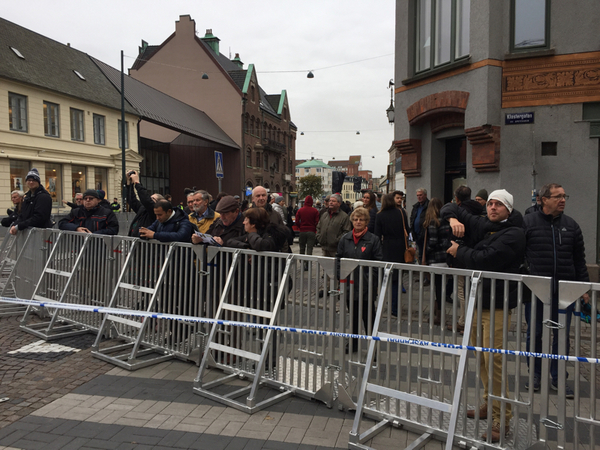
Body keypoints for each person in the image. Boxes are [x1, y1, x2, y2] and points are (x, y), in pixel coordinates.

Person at [442, 189, 525, 442]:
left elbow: (485, 260)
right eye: (489, 203)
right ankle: (489, 403)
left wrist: (459, 251)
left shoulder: (514, 233)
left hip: (497, 306)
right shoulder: (484, 224)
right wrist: (452, 220)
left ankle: (503, 418)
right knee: (481, 357)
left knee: (494, 360)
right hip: (478, 303)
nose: (492, 207)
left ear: (508, 209)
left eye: (498, 204)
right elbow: (451, 206)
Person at [523, 183, 589, 397]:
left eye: (564, 196)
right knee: (536, 334)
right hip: (536, 292)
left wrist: (583, 287)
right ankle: (535, 374)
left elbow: (579, 260)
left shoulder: (571, 225)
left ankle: (558, 376)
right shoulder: (528, 223)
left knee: (561, 336)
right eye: (557, 196)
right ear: (543, 199)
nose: (562, 200)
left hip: (564, 293)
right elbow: (518, 254)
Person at [337, 207, 383, 353]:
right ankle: (353, 343)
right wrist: (340, 275)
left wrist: (370, 281)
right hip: (349, 285)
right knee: (354, 316)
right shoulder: (345, 239)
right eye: (356, 219)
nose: (358, 222)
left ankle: (373, 347)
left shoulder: (373, 240)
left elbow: (378, 262)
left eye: (361, 220)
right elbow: (338, 258)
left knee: (369, 318)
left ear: (366, 222)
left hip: (366, 287)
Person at [447, 186, 484, 334]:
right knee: (472, 289)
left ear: (457, 198)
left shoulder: (460, 212)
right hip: (474, 254)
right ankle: (470, 321)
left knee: (461, 290)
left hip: (461, 256)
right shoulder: (479, 210)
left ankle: (464, 321)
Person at [374, 193, 408, 316]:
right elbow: (407, 230)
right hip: (400, 247)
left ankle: (381, 303)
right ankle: (395, 308)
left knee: (385, 278)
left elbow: (377, 235)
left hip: (387, 247)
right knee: (396, 280)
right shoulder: (401, 213)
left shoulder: (380, 215)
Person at [423, 198, 451, 326]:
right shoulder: (446, 221)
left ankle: (439, 315)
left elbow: (432, 242)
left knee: (437, 287)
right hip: (445, 258)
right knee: (441, 287)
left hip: (435, 259)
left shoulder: (433, 222)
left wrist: (426, 252)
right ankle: (438, 312)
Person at [10, 168, 53, 235]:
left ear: (38, 182)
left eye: (34, 180)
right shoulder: (27, 197)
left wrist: (19, 226)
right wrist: (15, 224)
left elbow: (39, 217)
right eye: (29, 180)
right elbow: (22, 215)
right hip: (29, 234)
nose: (31, 182)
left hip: (40, 234)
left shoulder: (43, 197)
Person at [125, 170, 163, 237]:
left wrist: (137, 183)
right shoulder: (142, 209)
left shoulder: (155, 212)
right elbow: (132, 200)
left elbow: (146, 200)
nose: (150, 199)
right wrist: (129, 184)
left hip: (144, 245)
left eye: (152, 198)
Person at [409, 188, 430, 264]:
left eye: (420, 195)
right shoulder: (416, 207)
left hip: (425, 235)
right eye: (417, 195)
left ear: (425, 195)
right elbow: (412, 218)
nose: (419, 197)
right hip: (416, 234)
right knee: (419, 254)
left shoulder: (429, 206)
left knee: (425, 254)